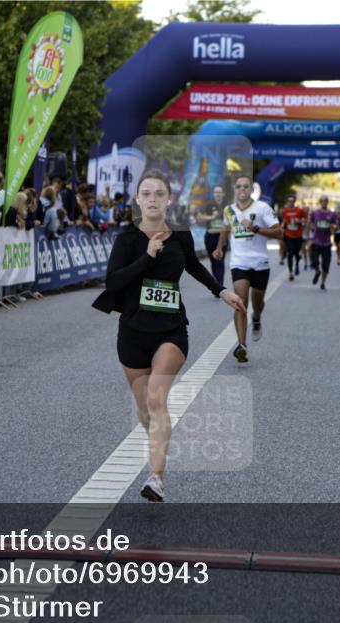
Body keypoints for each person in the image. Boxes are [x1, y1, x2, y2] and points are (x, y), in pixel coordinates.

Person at [91, 170, 244, 502]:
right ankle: (158, 445)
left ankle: (155, 477)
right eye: (146, 193)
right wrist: (147, 257)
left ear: (168, 199)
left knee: (157, 399)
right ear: (137, 199)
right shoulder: (127, 239)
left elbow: (193, 266)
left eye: (159, 193)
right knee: (146, 410)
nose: (152, 199)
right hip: (132, 331)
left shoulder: (180, 235)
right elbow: (113, 282)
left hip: (171, 329)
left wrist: (221, 292)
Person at [218, 175, 282, 363]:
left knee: (258, 303)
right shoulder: (229, 210)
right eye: (238, 187)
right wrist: (219, 247)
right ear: (234, 190)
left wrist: (255, 228)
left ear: (252, 190)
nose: (242, 190)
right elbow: (225, 228)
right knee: (240, 301)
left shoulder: (263, 208)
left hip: (260, 263)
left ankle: (257, 318)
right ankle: (241, 345)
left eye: (246, 186)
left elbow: (279, 232)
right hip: (239, 263)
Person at [194, 184, 228, 290]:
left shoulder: (227, 206)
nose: (217, 194)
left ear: (223, 194)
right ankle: (216, 285)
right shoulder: (209, 205)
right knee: (213, 262)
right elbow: (199, 216)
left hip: (222, 236)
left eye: (219, 192)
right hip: (210, 236)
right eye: (216, 192)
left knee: (220, 261)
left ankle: (219, 287)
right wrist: (210, 217)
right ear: (213, 194)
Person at [309, 195, 336, 290]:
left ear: (327, 202)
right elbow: (311, 221)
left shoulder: (332, 214)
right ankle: (317, 271)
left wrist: (333, 228)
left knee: (326, 265)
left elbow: (335, 224)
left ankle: (323, 282)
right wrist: (312, 228)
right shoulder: (315, 213)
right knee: (314, 261)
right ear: (320, 202)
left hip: (327, 243)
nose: (324, 203)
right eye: (322, 201)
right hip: (316, 241)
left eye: (325, 201)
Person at [279, 194, 306, 281]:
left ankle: (297, 264)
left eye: (292, 201)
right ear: (287, 201)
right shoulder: (285, 211)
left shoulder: (300, 210)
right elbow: (284, 221)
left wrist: (300, 221)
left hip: (298, 235)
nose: (290, 202)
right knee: (290, 253)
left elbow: (306, 219)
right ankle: (290, 272)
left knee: (297, 253)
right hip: (288, 235)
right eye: (289, 201)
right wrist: (282, 228)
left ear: (294, 201)